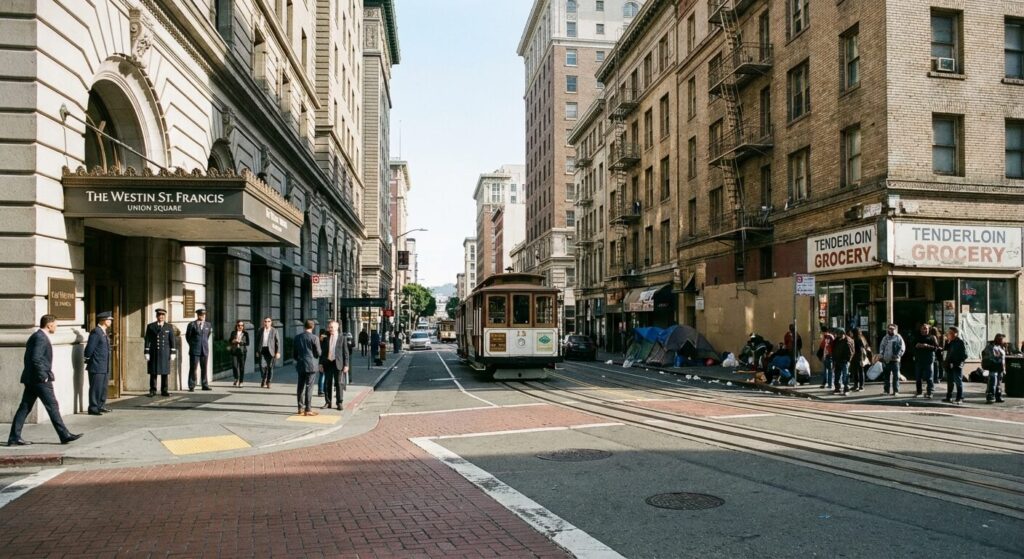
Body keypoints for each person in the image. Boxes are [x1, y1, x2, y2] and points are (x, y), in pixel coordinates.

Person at [7, 314, 82, 445]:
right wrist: (44, 376)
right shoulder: (41, 338)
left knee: (25, 407)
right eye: (55, 324)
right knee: (52, 406)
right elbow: (36, 358)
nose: (56, 327)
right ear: (49, 325)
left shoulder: (36, 336)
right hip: (40, 380)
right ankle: (64, 435)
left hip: (32, 379)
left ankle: (14, 437)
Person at [83, 311, 113, 415]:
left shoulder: (104, 332)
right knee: (96, 387)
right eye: (109, 320)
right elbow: (90, 348)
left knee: (103, 387)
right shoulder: (96, 332)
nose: (110, 322)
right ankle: (93, 407)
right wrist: (87, 357)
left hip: (104, 365)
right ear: (103, 320)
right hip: (97, 365)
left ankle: (100, 405)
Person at [144, 308, 175, 397]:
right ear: (156, 316)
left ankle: (164, 390)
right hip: (153, 352)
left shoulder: (169, 326)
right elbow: (147, 340)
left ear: (164, 316)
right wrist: (146, 351)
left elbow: (172, 340)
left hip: (164, 352)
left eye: (162, 315)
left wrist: (173, 352)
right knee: (153, 372)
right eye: (159, 315)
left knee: (164, 372)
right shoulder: (150, 326)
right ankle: (152, 390)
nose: (161, 317)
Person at [320, 320, 350, 410]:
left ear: (337, 328)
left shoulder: (342, 338)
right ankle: (328, 402)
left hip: (338, 364)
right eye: (329, 327)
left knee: (339, 383)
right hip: (328, 363)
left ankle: (339, 402)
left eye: (331, 327)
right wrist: (320, 364)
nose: (330, 329)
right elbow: (323, 352)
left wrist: (346, 365)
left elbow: (346, 353)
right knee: (327, 383)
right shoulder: (326, 337)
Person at [294, 319, 322, 416]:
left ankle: (300, 407)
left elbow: (294, 353)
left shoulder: (297, 337)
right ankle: (308, 409)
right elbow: (319, 353)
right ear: (313, 327)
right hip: (311, 365)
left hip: (301, 364)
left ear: (304, 326)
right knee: (309, 387)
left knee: (300, 386)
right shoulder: (314, 338)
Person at [185, 309, 213, 392]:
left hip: (204, 349)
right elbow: (188, 337)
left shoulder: (208, 324)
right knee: (193, 368)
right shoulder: (192, 324)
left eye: (204, 315)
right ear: (197, 315)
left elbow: (207, 336)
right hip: (195, 349)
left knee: (204, 368)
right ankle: (191, 385)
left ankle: (204, 384)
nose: (202, 316)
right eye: (201, 315)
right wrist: (193, 345)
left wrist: (203, 344)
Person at [912, 324, 939, 398]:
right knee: (918, 377)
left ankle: (930, 392)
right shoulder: (917, 337)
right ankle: (919, 392)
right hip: (919, 359)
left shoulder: (932, 337)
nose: (924, 330)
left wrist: (927, 346)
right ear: (920, 329)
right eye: (923, 329)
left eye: (926, 329)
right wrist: (917, 346)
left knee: (929, 377)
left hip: (928, 360)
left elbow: (936, 348)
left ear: (929, 329)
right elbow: (912, 346)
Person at [878, 324, 905, 395]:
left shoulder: (898, 337)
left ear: (895, 329)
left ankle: (896, 391)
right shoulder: (885, 338)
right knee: (886, 376)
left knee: (895, 376)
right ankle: (886, 391)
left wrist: (898, 355)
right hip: (886, 360)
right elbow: (882, 347)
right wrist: (881, 355)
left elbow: (902, 348)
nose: (891, 330)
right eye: (889, 328)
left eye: (892, 329)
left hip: (895, 361)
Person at [942, 326, 966, 405]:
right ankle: (949, 397)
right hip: (949, 364)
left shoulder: (960, 342)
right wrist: (947, 342)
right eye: (948, 333)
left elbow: (964, 355)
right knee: (950, 382)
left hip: (956, 364)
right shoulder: (950, 342)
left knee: (958, 381)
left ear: (955, 333)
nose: (948, 334)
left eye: (950, 333)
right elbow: (945, 351)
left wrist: (957, 362)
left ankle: (959, 398)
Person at [982, 333, 1007, 404]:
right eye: (1002, 340)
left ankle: (998, 395)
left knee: (999, 383)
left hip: (1000, 368)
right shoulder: (990, 347)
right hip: (993, 367)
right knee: (993, 382)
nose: (1003, 341)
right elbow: (991, 357)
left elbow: (1003, 358)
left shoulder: (1001, 347)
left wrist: (1003, 369)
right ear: (998, 339)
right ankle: (990, 396)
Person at [255, 317, 280, 388]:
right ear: (263, 322)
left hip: (271, 351)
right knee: (262, 366)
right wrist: (257, 351)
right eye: (265, 321)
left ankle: (268, 382)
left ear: (271, 322)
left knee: (270, 367)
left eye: (268, 321)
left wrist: (277, 352)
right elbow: (257, 341)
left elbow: (277, 342)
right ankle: (264, 378)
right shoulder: (260, 330)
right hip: (262, 350)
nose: (267, 323)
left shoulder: (274, 330)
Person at [831, 328, 854, 395]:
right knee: (837, 375)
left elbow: (851, 351)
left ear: (842, 334)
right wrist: (834, 360)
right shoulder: (836, 341)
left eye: (838, 334)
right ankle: (837, 388)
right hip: (837, 360)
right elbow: (834, 350)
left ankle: (846, 389)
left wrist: (848, 359)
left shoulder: (848, 340)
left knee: (845, 376)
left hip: (844, 361)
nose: (837, 336)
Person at [229, 320, 249, 387]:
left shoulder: (246, 333)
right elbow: (230, 341)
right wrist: (233, 341)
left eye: (241, 325)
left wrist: (240, 342)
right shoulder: (233, 333)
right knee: (234, 366)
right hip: (234, 351)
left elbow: (248, 343)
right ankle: (236, 378)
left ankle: (241, 381)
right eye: (238, 325)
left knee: (242, 367)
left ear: (243, 326)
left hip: (242, 352)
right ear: (236, 326)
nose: (240, 327)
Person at [849, 328, 868, 393]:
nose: (850, 334)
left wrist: (862, 359)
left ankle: (861, 386)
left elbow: (862, 350)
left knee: (860, 371)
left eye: (851, 332)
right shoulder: (854, 339)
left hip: (859, 357)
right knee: (855, 372)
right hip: (854, 357)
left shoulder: (859, 339)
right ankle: (856, 385)